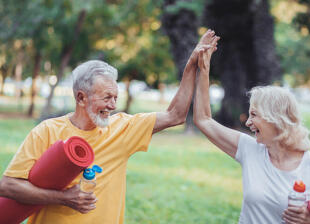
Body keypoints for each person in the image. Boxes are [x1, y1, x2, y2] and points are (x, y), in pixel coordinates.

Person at [0, 30, 219, 224]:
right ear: (81, 98)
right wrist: (64, 199)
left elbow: (176, 115)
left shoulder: (123, 128)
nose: (113, 105)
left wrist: (191, 65)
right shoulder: (47, 131)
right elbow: (8, 186)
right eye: (106, 98)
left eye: (115, 97)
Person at [193, 39, 310, 223]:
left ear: (275, 118)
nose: (248, 122)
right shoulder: (248, 149)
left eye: (254, 115)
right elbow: (203, 120)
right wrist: (203, 70)